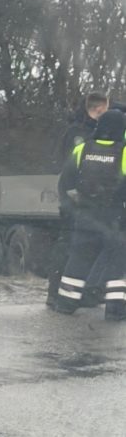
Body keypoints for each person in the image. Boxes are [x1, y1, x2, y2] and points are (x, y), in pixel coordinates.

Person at [55, 110, 126, 319]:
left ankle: (65, 303)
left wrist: (72, 206)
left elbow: (65, 183)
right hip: (114, 217)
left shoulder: (82, 149)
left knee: (79, 257)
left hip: (85, 215)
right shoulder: (123, 152)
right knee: (116, 260)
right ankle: (115, 309)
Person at [47, 91, 111, 306]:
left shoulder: (91, 130)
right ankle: (56, 293)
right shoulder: (77, 133)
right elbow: (69, 169)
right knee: (68, 246)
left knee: (86, 247)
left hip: (90, 200)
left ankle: (81, 294)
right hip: (75, 198)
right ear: (99, 109)